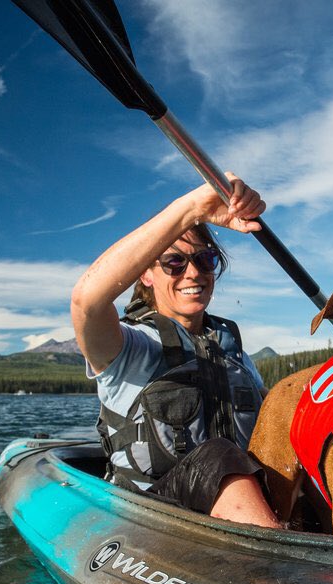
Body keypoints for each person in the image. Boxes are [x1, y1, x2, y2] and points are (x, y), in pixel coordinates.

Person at [71, 174, 281, 528]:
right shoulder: (129, 348)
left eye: (206, 260)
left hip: (237, 509)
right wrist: (192, 210)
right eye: (174, 262)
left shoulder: (236, 358)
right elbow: (86, 301)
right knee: (218, 456)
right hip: (151, 517)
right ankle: (279, 566)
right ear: (146, 275)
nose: (194, 273)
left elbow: (280, 418)